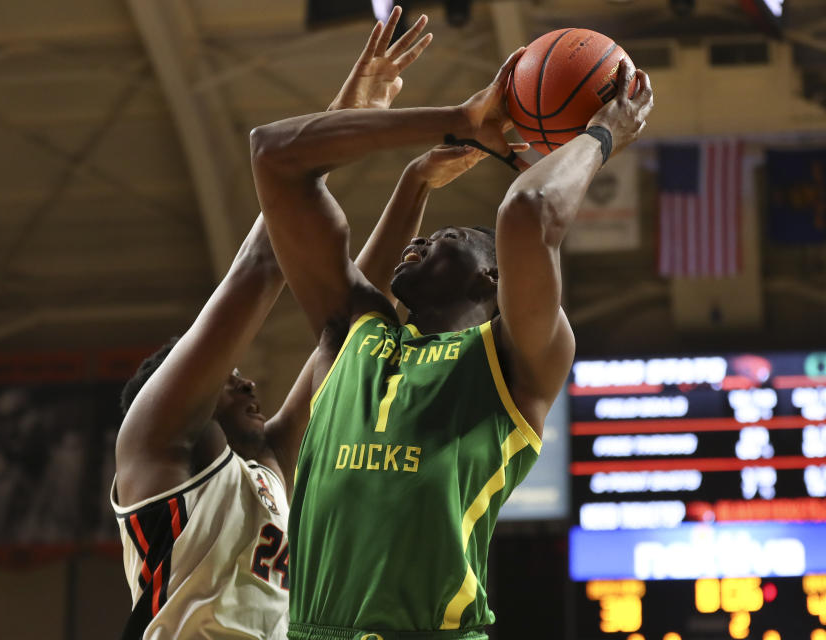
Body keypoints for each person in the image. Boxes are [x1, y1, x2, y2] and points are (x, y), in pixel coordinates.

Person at [249, 8, 654, 638]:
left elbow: (527, 209)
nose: (423, 240)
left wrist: (602, 134)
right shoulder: (357, 335)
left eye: (450, 237)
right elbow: (273, 154)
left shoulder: (514, 363)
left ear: (490, 279)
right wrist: (447, 132)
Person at [110, 13, 488, 639]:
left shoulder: (262, 472)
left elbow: (348, 332)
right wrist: (349, 110)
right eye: (232, 381)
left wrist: (414, 183)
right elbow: (264, 262)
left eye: (234, 378)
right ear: (180, 394)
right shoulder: (152, 450)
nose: (251, 386)